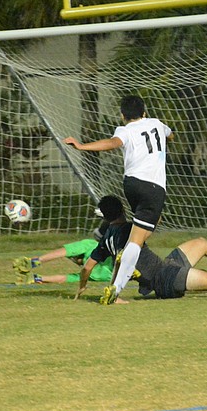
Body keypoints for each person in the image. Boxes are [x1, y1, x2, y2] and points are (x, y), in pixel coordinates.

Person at [64, 95, 173, 305]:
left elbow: (113, 143)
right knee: (138, 240)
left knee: (144, 229)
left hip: (131, 184)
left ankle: (126, 258)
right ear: (144, 112)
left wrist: (81, 146)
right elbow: (170, 135)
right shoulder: (157, 124)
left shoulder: (124, 130)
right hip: (153, 187)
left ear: (123, 115)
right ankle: (116, 287)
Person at [76, 195, 207, 304]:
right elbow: (154, 223)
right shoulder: (130, 229)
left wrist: (82, 287)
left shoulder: (105, 240)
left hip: (165, 266)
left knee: (201, 243)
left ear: (104, 217)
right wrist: (150, 206)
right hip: (165, 279)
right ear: (122, 210)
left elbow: (87, 268)